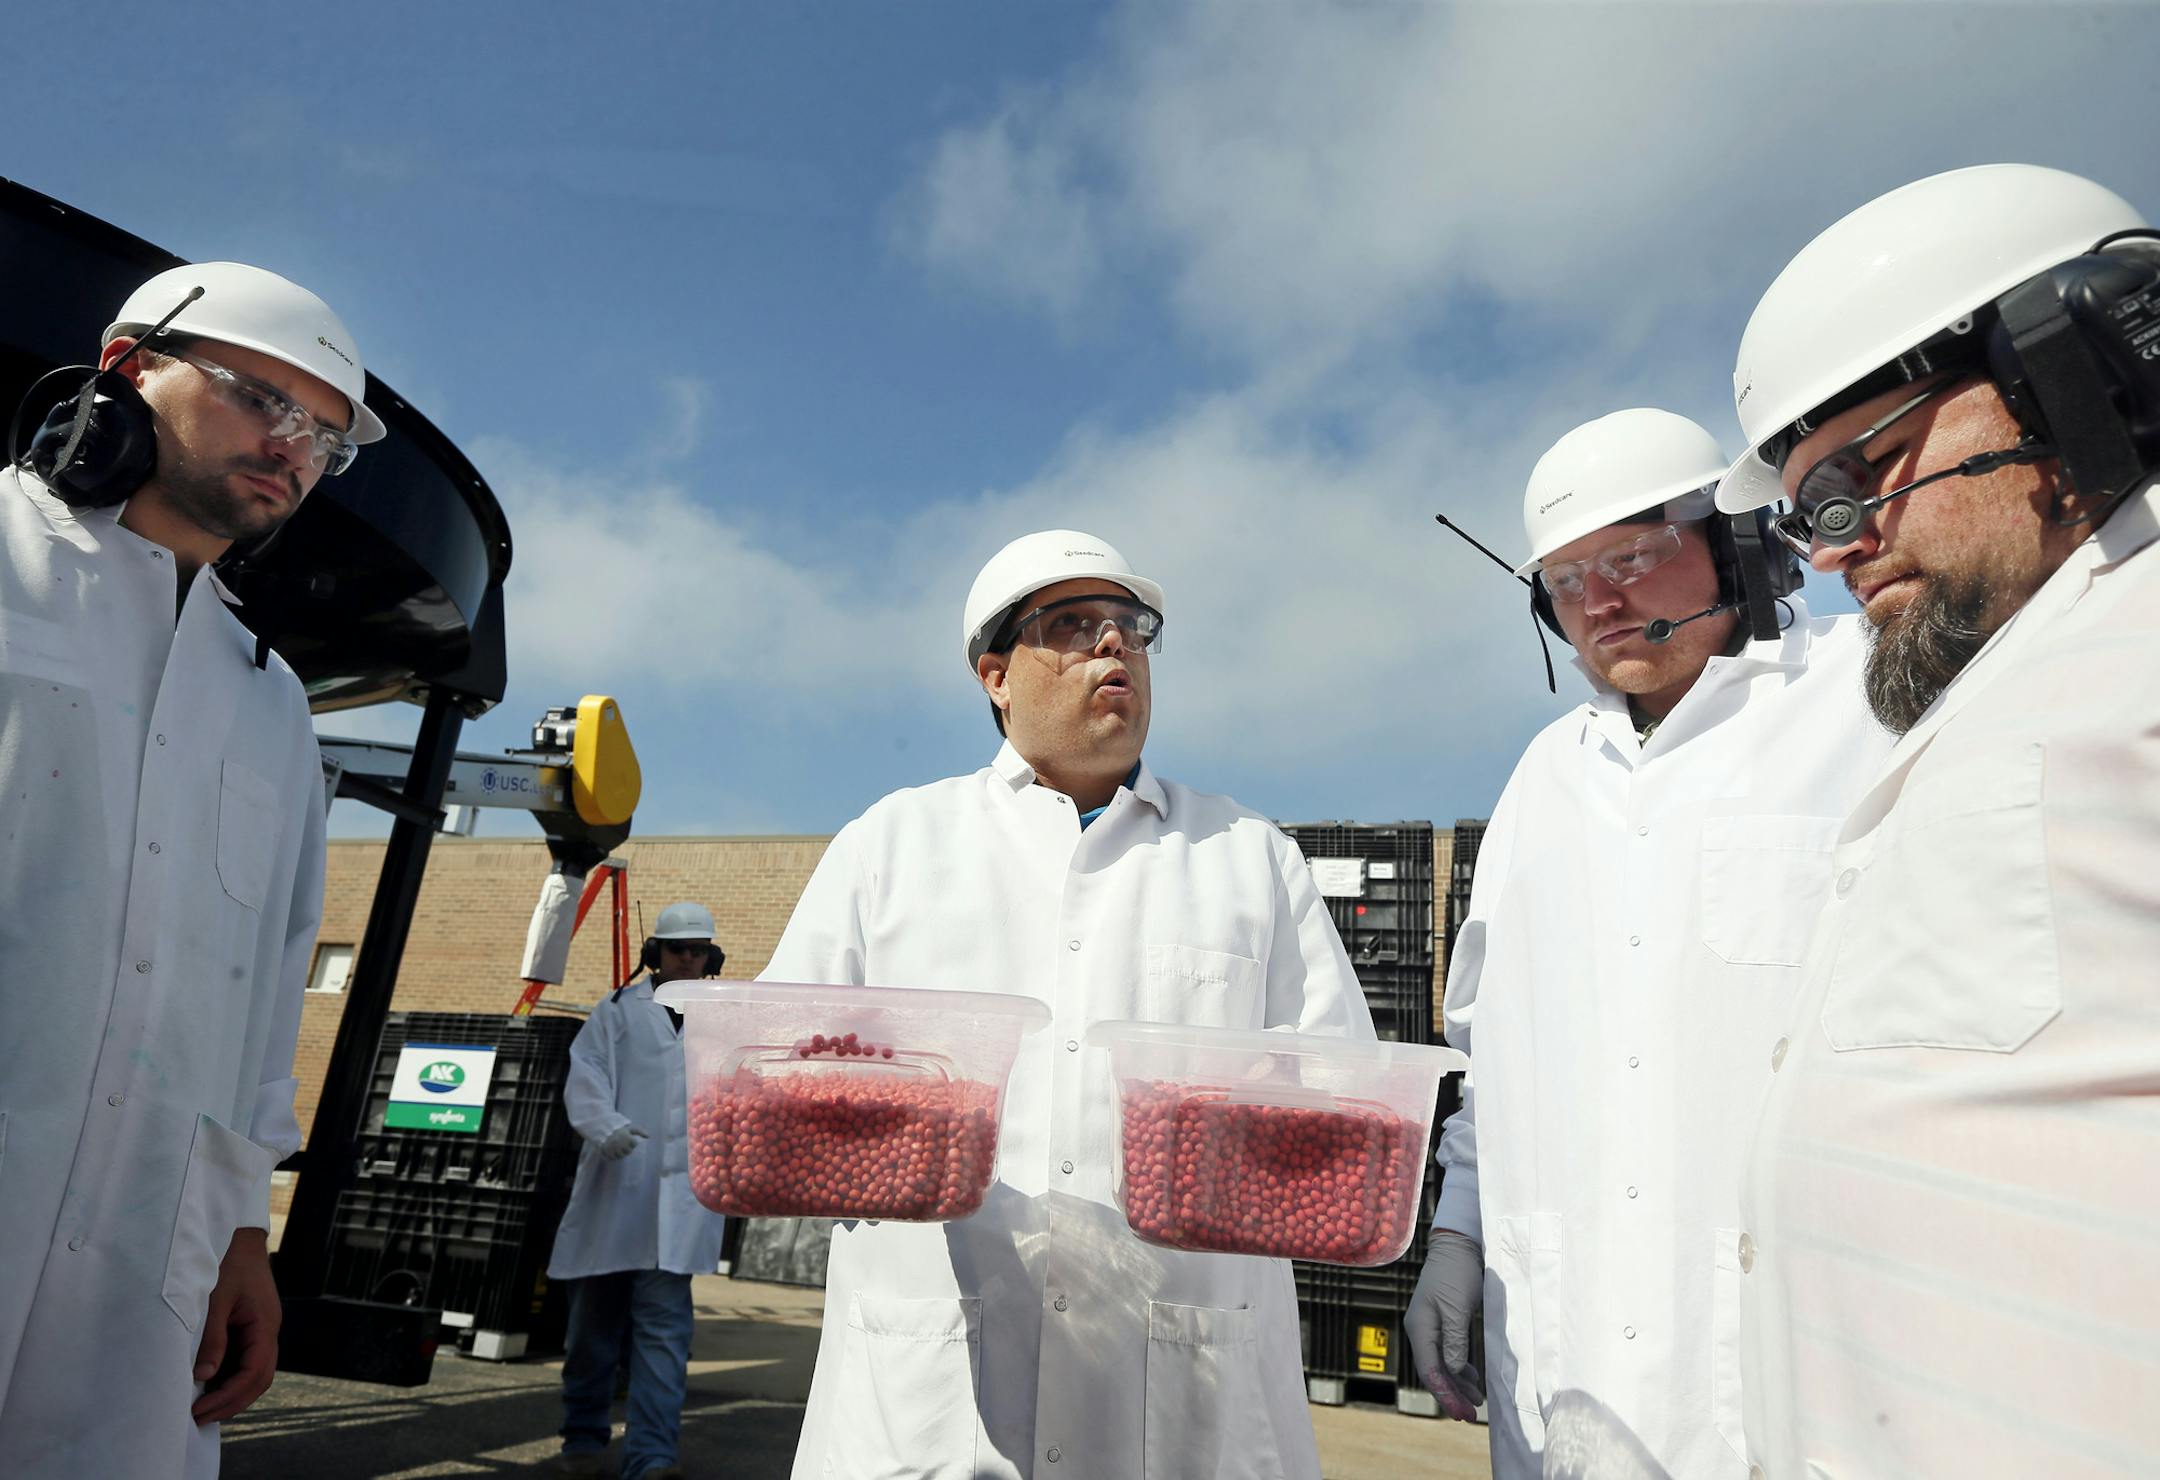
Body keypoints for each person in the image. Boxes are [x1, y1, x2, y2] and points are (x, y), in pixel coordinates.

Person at [1713, 163, 2160, 1479]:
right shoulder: (2034, 676)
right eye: (1808, 513)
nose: (1839, 545)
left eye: (1864, 471)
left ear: (2081, 365)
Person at [761, 529, 1374, 1479]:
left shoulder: (1248, 855)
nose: (1113, 645)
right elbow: (779, 1082)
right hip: (935, 1373)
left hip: (1181, 1383)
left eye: (1130, 626)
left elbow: (1343, 1099)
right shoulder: (894, 842)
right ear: (996, 675)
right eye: (1073, 624)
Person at [1405, 410, 1892, 1478]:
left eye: (1630, 555)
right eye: (1567, 581)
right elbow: (1496, 1059)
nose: (1601, 601)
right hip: (1564, 1363)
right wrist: (1458, 1234)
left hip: (1795, 1363)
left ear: (1738, 540)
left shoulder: (1866, 695)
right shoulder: (1543, 783)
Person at [0, 261, 383, 1477]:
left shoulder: (267, 698)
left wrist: (240, 1231)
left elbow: (269, 985)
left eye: (323, 436)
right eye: (256, 398)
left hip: (146, 1239)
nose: (291, 449)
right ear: (126, 368)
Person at [546, 901, 731, 1480]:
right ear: (656, 953)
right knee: (591, 1338)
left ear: (711, 957)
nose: (688, 958)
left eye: (698, 950)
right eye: (678, 949)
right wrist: (606, 1127)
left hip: (682, 1204)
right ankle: (582, 1437)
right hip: (616, 1189)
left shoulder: (722, 1018)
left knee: (664, 1338)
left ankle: (652, 1457)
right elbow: (587, 1072)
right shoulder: (618, 1010)